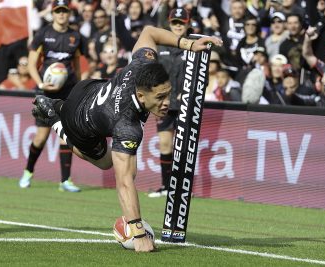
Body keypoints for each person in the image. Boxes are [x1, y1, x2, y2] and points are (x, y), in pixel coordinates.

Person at [32, 25, 222, 252]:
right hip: (79, 122)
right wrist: (138, 232)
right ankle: (54, 117)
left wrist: (189, 45)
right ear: (141, 96)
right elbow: (123, 181)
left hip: (89, 88)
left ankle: (58, 106)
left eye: (168, 94)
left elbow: (149, 32)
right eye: (160, 98)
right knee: (107, 163)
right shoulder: (127, 125)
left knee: (127, 166)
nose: (166, 103)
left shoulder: (144, 64)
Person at [19, 0, 82, 192]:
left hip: (67, 90)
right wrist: (40, 83)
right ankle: (28, 171)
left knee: (66, 134)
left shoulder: (75, 36)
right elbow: (31, 64)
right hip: (45, 91)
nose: (61, 15)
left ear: (69, 14)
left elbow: (77, 66)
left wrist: (78, 88)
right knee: (41, 136)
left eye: (64, 11)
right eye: (58, 11)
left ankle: (65, 181)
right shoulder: (43, 34)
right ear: (53, 14)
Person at [148, 7, 189, 198]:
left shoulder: (192, 47)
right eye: (175, 22)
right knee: (165, 146)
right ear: (170, 24)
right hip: (165, 104)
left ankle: (182, 189)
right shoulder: (161, 48)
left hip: (186, 106)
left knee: (183, 149)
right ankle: (166, 187)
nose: (178, 26)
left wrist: (188, 93)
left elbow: (202, 78)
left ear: (187, 24)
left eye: (181, 22)